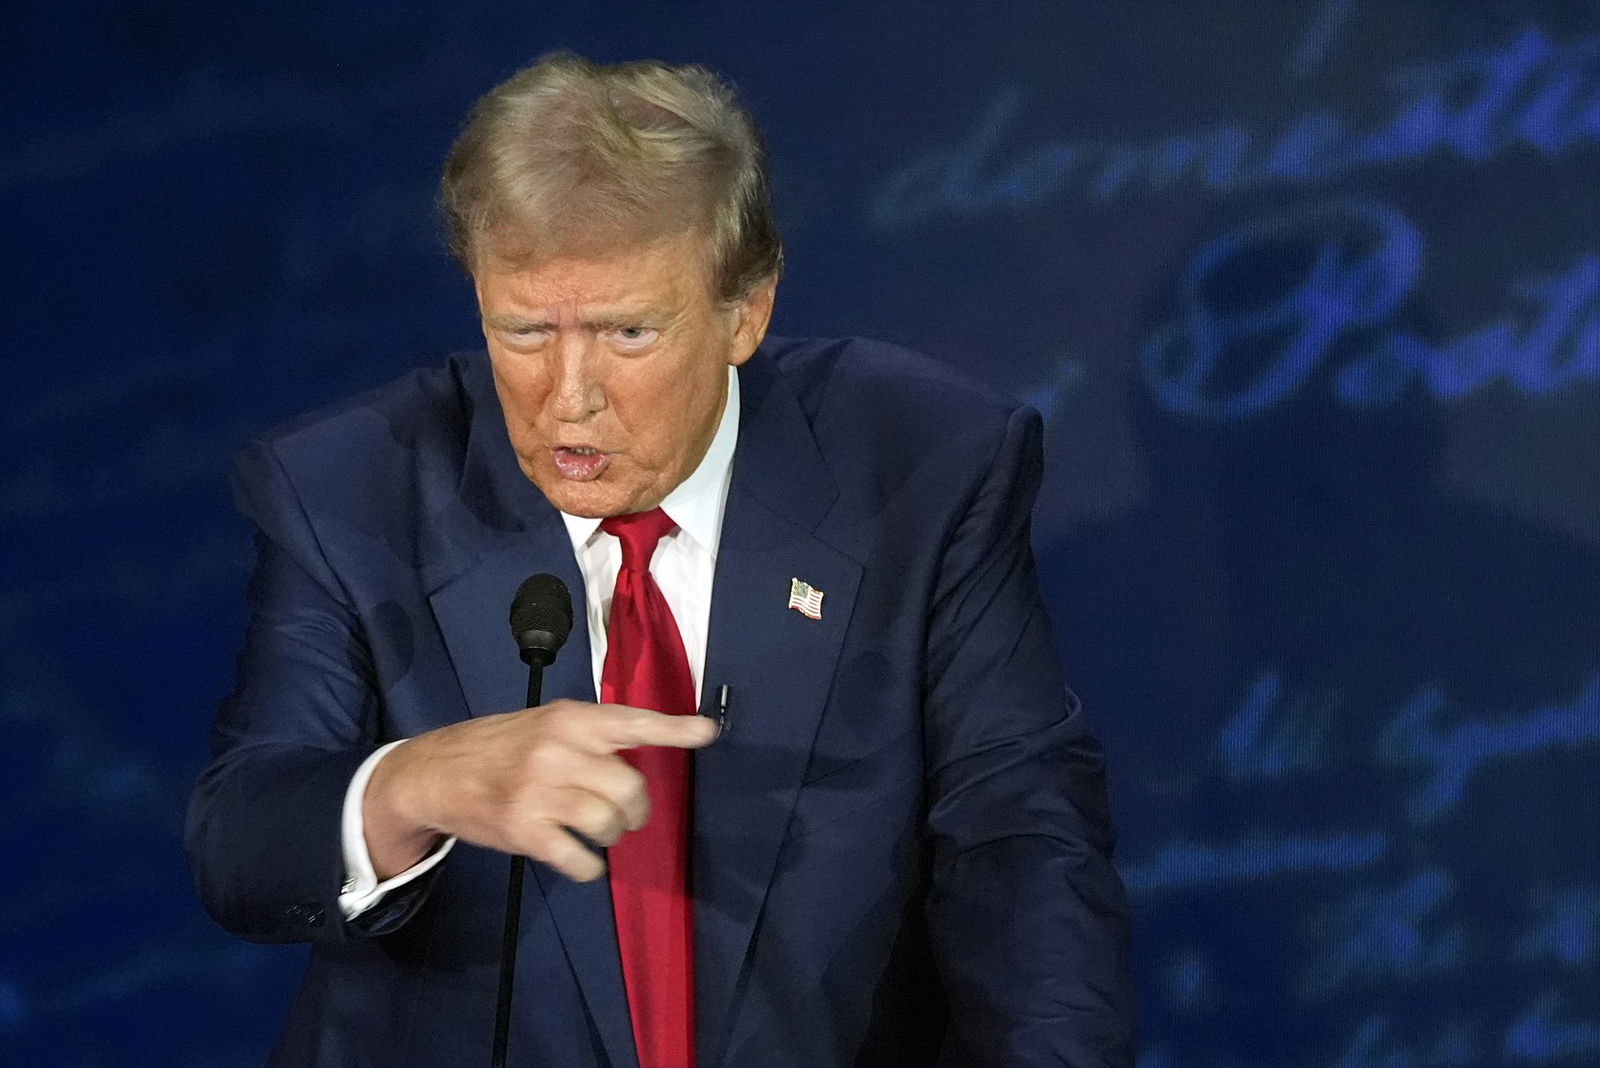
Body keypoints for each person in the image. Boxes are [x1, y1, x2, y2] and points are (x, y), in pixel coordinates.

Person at [186, 52, 1135, 1068]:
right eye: (522, 331)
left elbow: (1020, 844)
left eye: (627, 332)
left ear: (746, 310)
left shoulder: (918, 468)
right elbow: (243, 839)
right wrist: (411, 785)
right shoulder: (353, 490)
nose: (568, 396)